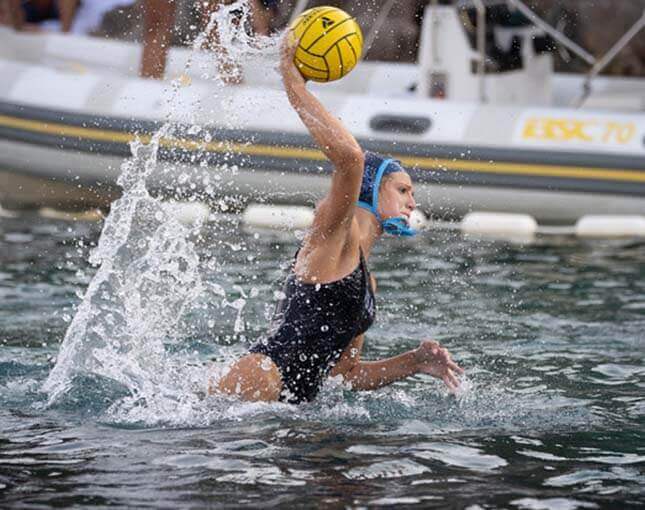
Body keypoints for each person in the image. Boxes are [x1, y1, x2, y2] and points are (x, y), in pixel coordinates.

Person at [209, 32, 464, 404]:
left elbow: (344, 375)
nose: (413, 202)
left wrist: (413, 362)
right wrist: (292, 79)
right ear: (370, 189)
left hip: (292, 409)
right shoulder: (332, 235)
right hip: (259, 382)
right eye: (403, 190)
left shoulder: (366, 281)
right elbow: (350, 158)